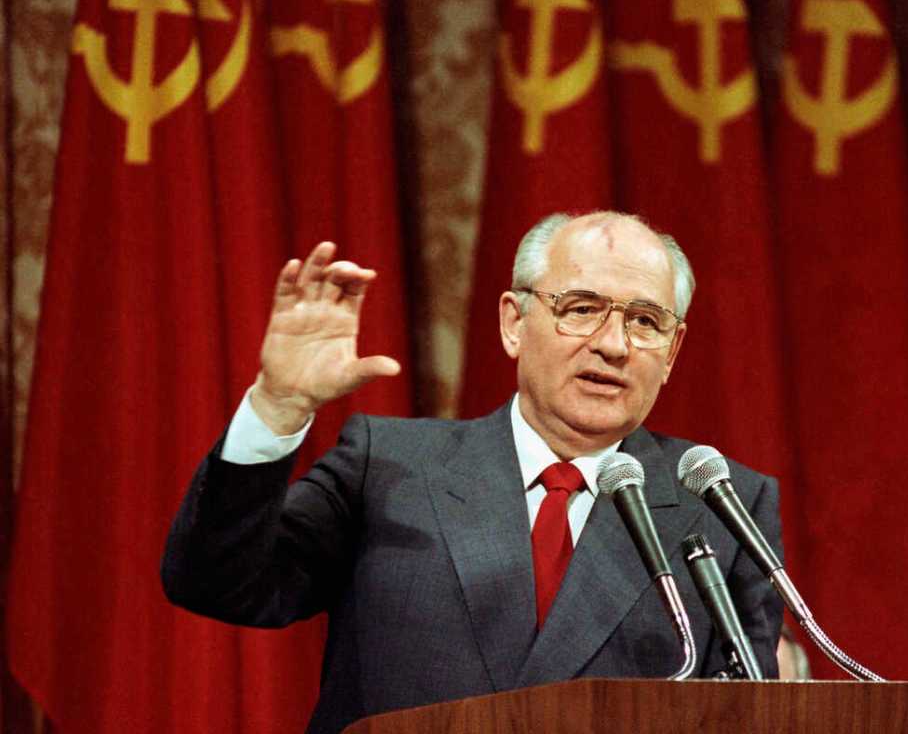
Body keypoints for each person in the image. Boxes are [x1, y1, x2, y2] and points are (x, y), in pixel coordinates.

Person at [162, 211, 784, 734]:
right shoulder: (389, 466)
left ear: (672, 352)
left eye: (645, 322)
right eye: (581, 308)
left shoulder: (721, 506)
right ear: (514, 323)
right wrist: (279, 406)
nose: (613, 344)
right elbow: (217, 583)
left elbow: (746, 716)